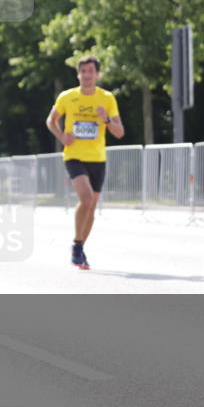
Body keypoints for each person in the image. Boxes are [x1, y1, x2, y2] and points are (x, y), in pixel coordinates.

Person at [46, 56, 124, 270]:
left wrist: (106, 119)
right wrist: (62, 137)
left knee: (91, 205)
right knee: (87, 198)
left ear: (97, 74)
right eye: (83, 71)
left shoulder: (107, 99)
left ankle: (79, 246)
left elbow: (119, 132)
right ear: (78, 74)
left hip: (98, 158)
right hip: (74, 156)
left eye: (91, 71)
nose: (87, 75)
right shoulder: (67, 97)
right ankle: (77, 247)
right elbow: (50, 120)